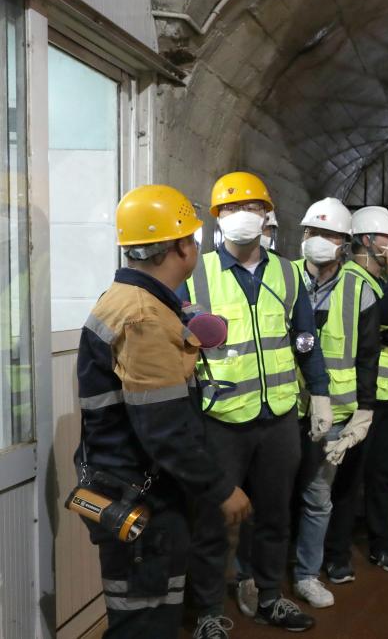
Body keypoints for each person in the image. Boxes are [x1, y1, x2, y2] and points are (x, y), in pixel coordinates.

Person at [74, 185, 251, 639]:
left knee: (146, 612)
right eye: (190, 237)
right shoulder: (144, 317)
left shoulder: (131, 299)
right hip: (142, 498)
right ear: (180, 247)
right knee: (146, 621)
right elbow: (164, 429)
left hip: (126, 484)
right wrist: (219, 488)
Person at [183, 172, 329, 637]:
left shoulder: (288, 273)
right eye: (230, 208)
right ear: (217, 218)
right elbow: (178, 346)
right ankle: (208, 613)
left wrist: (320, 392)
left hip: (278, 417)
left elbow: (305, 339)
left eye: (250, 206)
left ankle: (269, 596)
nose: (241, 215)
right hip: (221, 418)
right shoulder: (196, 274)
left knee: (274, 514)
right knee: (212, 520)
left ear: (267, 215)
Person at [322, 206, 388, 584]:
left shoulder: (387, 281)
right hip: (361, 397)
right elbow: (384, 316)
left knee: (382, 475)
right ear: (366, 241)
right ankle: (336, 555)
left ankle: (382, 545)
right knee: (348, 480)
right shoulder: (351, 279)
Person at [284, 197, 375, 609]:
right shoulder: (283, 278)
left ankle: (307, 575)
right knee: (274, 494)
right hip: (283, 407)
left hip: (334, 412)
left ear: (345, 243)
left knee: (318, 497)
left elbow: (369, 356)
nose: (318, 240)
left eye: (329, 234)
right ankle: (261, 576)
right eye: (312, 232)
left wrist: (365, 409)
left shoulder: (360, 290)